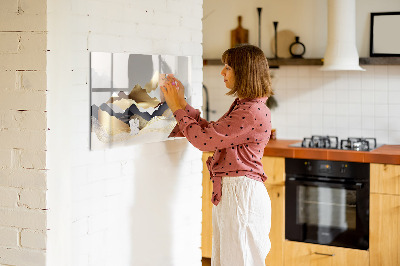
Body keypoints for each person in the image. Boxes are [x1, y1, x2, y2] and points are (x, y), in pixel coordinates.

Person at [161, 44, 273, 266]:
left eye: (228, 67)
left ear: (244, 72)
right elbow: (212, 133)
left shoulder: (250, 111)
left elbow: (204, 141)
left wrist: (176, 107)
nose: (222, 72)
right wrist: (182, 104)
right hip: (236, 193)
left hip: (241, 195)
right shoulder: (246, 106)